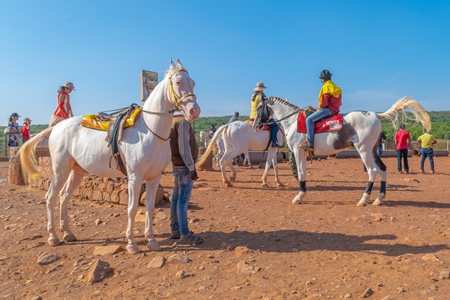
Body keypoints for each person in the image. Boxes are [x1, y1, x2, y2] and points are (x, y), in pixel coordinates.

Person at [169, 109, 204, 246]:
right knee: (183, 201)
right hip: (184, 166)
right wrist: (191, 167)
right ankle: (185, 234)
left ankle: (175, 230)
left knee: (175, 198)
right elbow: (184, 148)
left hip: (176, 164)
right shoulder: (182, 122)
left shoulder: (171, 121)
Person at [301, 70, 342, 150]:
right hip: (335, 110)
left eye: (321, 79)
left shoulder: (326, 87)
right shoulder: (336, 87)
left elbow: (324, 103)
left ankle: (310, 143)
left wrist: (317, 108)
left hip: (328, 110)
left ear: (323, 79)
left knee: (308, 119)